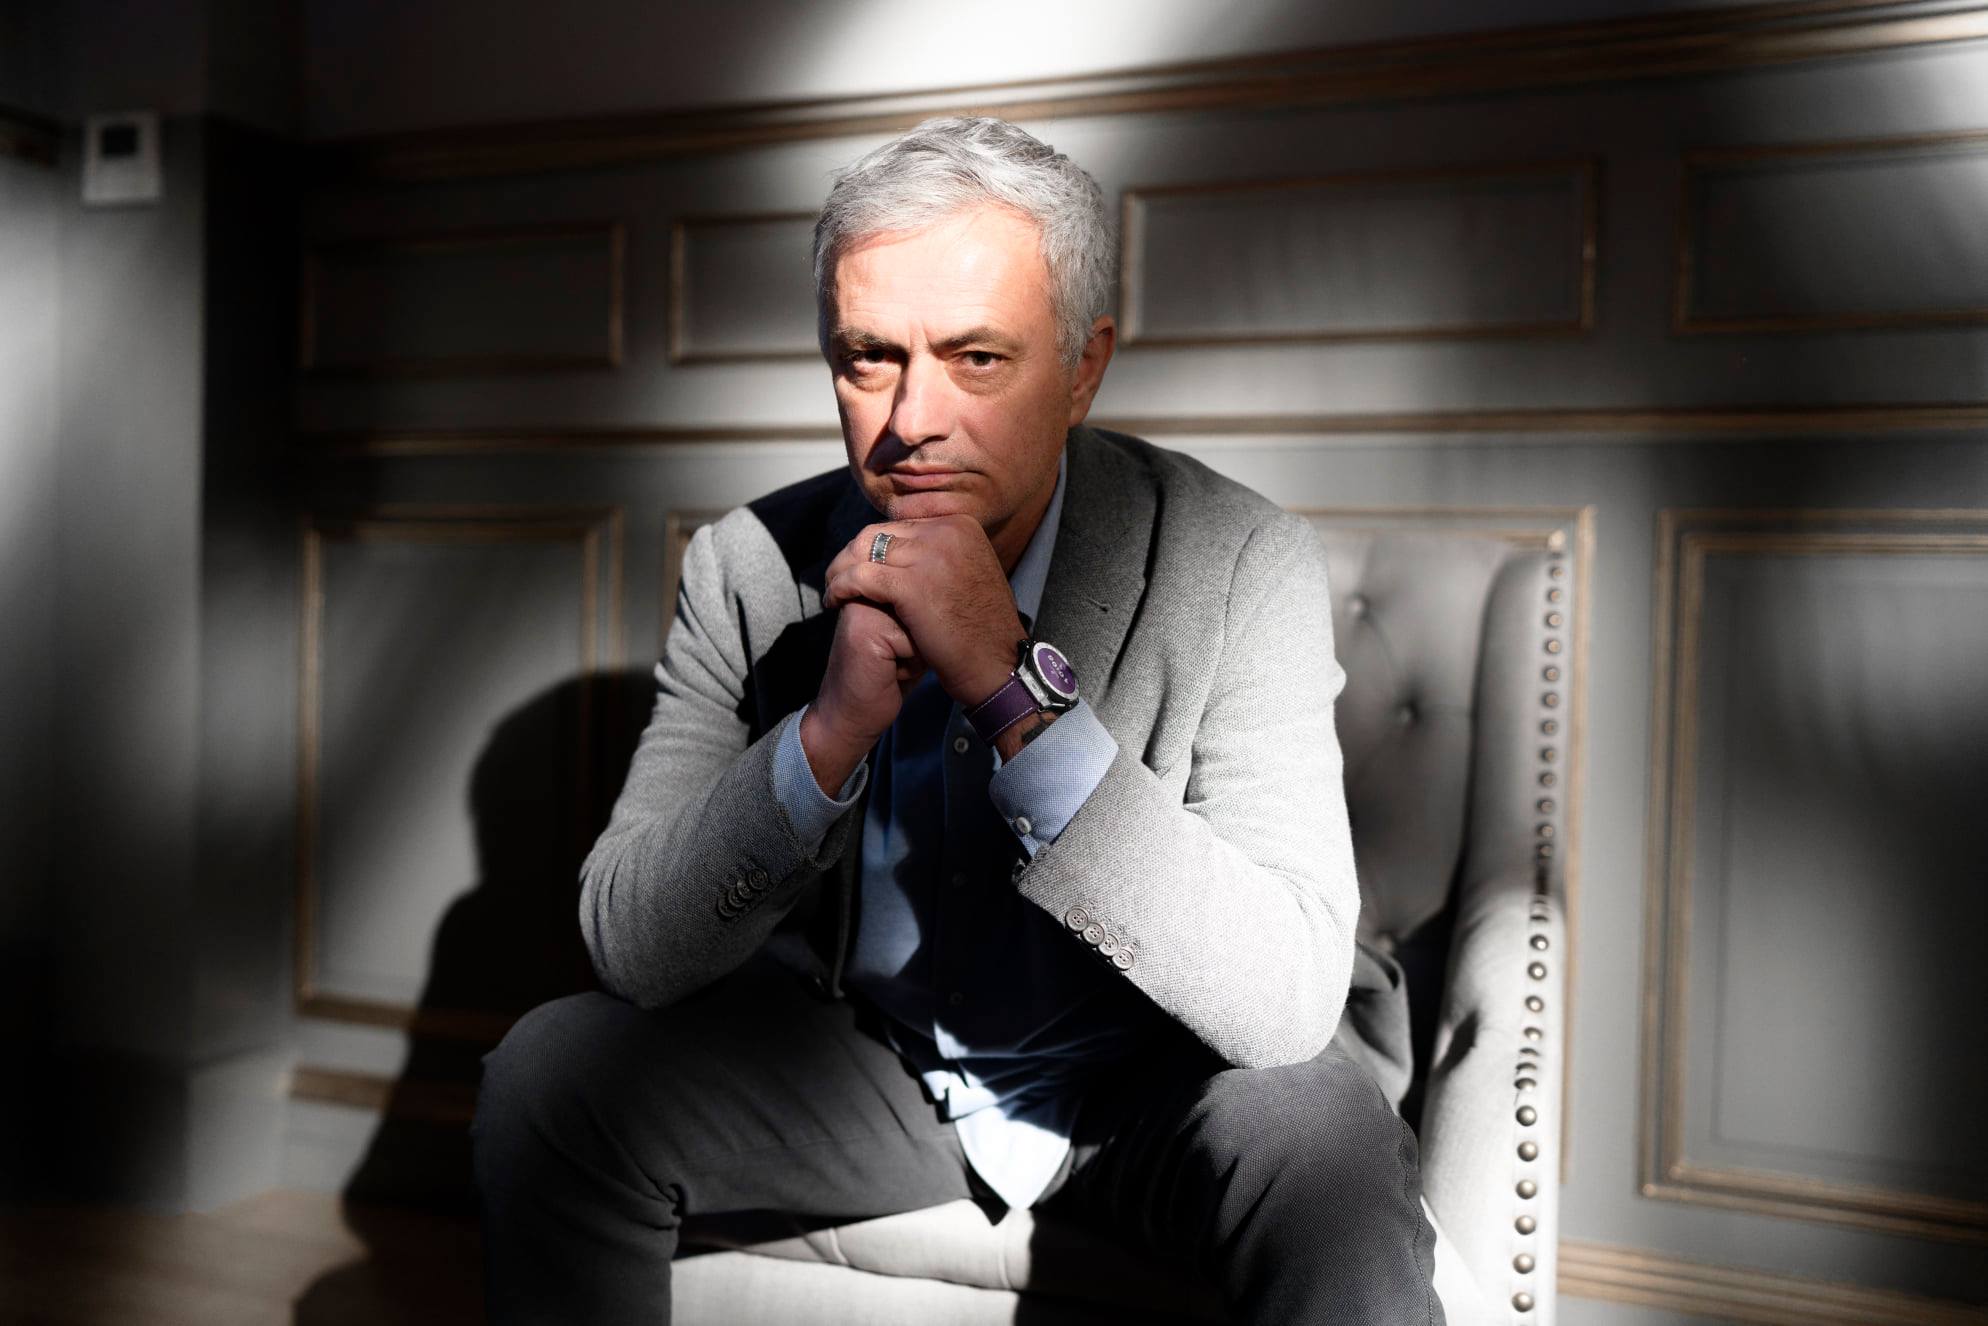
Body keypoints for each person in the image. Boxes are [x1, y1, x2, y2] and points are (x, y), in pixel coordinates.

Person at [472, 115, 1442, 1324]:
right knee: (551, 1080)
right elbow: (629, 942)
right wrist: (824, 737)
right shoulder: (750, 568)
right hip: (877, 1067)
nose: (910, 419)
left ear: (1081, 367)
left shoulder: (1241, 558)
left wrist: (1010, 687)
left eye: (977, 358)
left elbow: (1284, 996)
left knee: (1324, 1139)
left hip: (1160, 1077)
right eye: (868, 357)